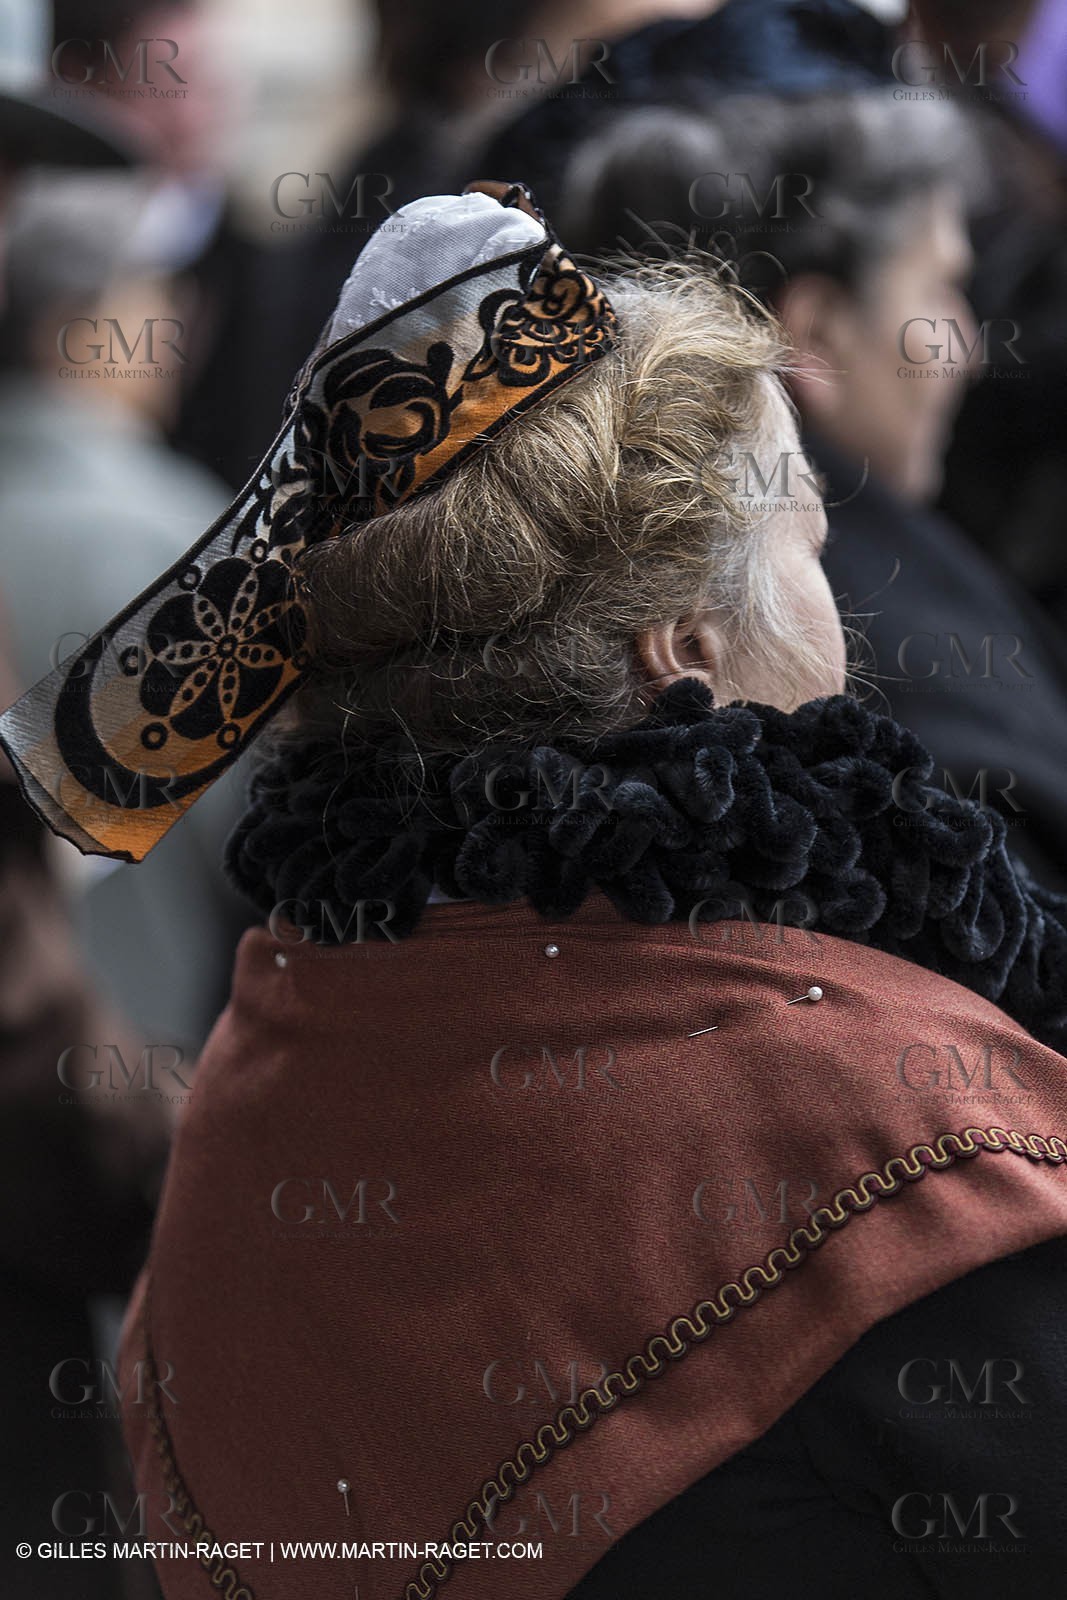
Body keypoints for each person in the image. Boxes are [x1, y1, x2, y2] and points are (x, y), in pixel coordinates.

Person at [4, 184, 1067, 1600]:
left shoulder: (255, 1080)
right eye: (810, 542)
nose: (844, 611)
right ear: (684, 645)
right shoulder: (903, 1138)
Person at [559, 89, 1067, 890]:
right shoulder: (866, 660)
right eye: (938, 291)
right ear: (819, 330)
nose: (967, 348)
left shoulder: (604, 564)